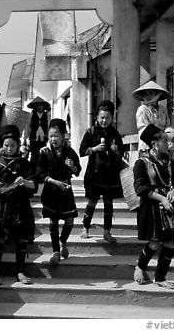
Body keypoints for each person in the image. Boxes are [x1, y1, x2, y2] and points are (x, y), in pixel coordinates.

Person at [132, 124, 174, 289]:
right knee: (155, 242)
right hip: (152, 209)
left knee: (170, 243)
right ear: (155, 144)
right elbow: (140, 188)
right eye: (165, 141)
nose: (169, 144)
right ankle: (140, 267)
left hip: (169, 209)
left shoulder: (170, 163)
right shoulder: (141, 163)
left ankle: (160, 278)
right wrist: (162, 199)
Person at [0, 125, 37, 285]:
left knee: (21, 240)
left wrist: (24, 181)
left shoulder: (23, 164)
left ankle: (20, 272)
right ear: (2, 146)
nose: (9, 148)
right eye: (6, 145)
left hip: (19, 206)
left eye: (12, 145)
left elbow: (34, 185)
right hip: (0, 206)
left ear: (17, 146)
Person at [36, 118, 81, 265]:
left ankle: (63, 242)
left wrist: (73, 166)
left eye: (56, 135)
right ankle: (55, 251)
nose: (53, 139)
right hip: (51, 191)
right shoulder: (44, 152)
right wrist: (54, 181)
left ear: (64, 136)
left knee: (69, 220)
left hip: (66, 191)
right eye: (51, 136)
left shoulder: (70, 152)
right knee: (53, 221)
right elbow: (40, 173)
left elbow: (78, 171)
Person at [78, 100, 124, 243]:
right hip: (94, 173)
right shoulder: (90, 132)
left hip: (110, 174)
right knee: (92, 201)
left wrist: (117, 151)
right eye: (102, 117)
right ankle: (85, 227)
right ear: (97, 117)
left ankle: (107, 231)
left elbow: (121, 153)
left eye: (107, 118)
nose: (104, 121)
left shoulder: (115, 134)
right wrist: (95, 149)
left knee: (108, 203)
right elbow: (81, 151)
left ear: (112, 118)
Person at [132, 81, 170, 154]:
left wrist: (169, 136)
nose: (148, 96)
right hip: (147, 146)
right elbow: (145, 129)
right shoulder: (142, 109)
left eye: (151, 93)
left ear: (156, 95)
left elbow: (167, 125)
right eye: (146, 94)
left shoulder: (163, 109)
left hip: (162, 146)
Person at [27, 96, 51, 174]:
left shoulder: (46, 114)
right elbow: (28, 125)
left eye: (41, 105)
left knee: (42, 155)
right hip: (34, 137)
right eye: (37, 105)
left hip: (43, 137)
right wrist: (25, 138)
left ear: (44, 106)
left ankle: (41, 173)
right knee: (34, 155)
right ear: (35, 106)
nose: (39, 107)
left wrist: (49, 137)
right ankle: (32, 173)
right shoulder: (32, 114)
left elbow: (48, 125)